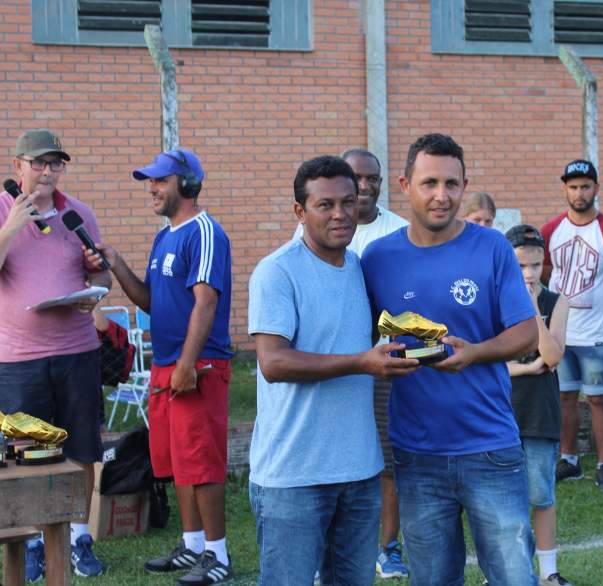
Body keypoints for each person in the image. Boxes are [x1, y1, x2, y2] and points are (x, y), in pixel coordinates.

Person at [360, 133, 539, 585]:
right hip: (418, 455)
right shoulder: (376, 258)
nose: (442, 196)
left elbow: (526, 332)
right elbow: (365, 336)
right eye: (429, 183)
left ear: (465, 184)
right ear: (404, 184)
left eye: (452, 184)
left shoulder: (492, 247)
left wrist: (475, 353)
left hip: (491, 447)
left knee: (514, 577)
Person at [248, 155, 418, 584]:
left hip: (360, 470)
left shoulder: (360, 270)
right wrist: (362, 362)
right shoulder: (277, 272)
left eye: (349, 202)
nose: (341, 214)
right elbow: (274, 362)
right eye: (325, 205)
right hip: (293, 474)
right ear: (299, 212)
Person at [86, 149, 234, 585]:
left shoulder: (205, 233)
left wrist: (188, 364)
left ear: (186, 185)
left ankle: (218, 556)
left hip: (199, 364)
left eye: (159, 180)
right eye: (149, 181)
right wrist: (117, 263)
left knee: (202, 462)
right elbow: (150, 300)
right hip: (167, 366)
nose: (151, 188)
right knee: (179, 462)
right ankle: (192, 547)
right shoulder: (162, 236)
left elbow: (206, 303)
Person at [0, 128, 110, 579]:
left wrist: (94, 289)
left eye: (56, 164)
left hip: (77, 351)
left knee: (82, 448)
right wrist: (12, 226)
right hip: (18, 357)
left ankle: (79, 537)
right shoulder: (2, 210)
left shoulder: (77, 213)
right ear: (18, 167)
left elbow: (99, 275)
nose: (48, 172)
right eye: (39, 163)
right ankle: (30, 543)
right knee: (26, 451)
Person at [540, 160, 603, 491]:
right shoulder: (551, 231)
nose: (579, 193)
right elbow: (543, 274)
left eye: (585, 186)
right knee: (565, 398)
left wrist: (601, 305)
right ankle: (569, 460)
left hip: (597, 334)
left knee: (598, 399)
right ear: (565, 189)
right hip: (561, 333)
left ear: (597, 188)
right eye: (573, 186)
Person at [505, 225, 572, 586]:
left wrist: (532, 310)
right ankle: (503, 571)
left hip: (540, 412)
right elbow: (488, 362)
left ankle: (549, 572)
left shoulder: (555, 301)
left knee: (540, 494)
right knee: (502, 501)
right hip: (501, 412)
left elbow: (552, 354)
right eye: (520, 266)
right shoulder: (496, 300)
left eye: (535, 265)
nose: (529, 274)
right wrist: (527, 368)